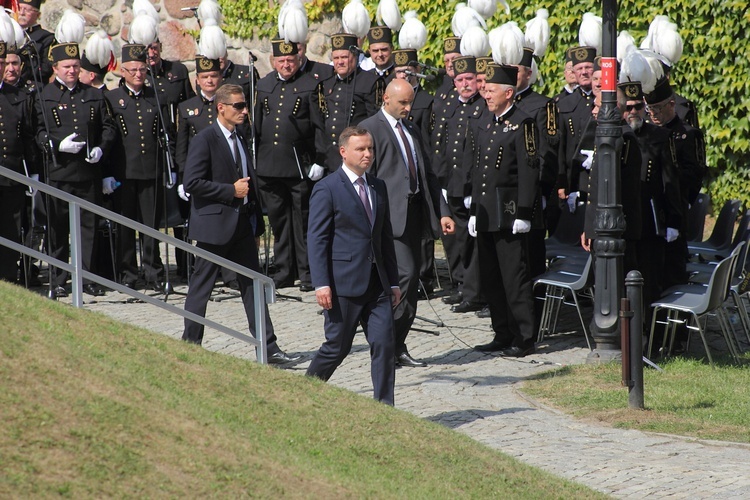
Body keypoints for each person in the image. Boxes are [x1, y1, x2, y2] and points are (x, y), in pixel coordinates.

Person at [181, 84, 299, 364]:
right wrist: (229, 191)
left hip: (243, 226)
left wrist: (256, 225)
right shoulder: (205, 139)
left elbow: (249, 180)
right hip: (214, 227)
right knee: (202, 287)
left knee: (253, 287)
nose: (245, 111)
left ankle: (268, 348)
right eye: (238, 106)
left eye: (245, 105)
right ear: (221, 107)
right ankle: (189, 345)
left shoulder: (240, 136)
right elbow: (192, 183)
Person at [360, 79, 455, 367]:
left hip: (415, 215)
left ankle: (396, 345)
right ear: (386, 98)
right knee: (405, 276)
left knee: (411, 283)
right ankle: (386, 344)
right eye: (402, 102)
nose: (408, 107)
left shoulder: (411, 128)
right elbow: (364, 176)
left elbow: (428, 173)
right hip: (387, 219)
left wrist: (443, 211)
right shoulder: (370, 129)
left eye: (410, 102)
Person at [306, 127, 401, 404]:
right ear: (343, 152)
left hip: (377, 285)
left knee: (384, 345)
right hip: (343, 284)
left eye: (370, 148)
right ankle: (303, 393)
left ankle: (384, 409)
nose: (367, 154)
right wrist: (322, 283)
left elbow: (384, 238)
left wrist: (393, 281)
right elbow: (317, 239)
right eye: (361, 149)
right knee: (337, 347)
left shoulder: (377, 186)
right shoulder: (327, 188)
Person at [34, 38, 116, 297]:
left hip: (87, 172)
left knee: (88, 227)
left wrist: (101, 147)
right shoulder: (44, 96)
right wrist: (57, 145)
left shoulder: (92, 94)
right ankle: (58, 278)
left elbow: (108, 127)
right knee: (58, 229)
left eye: (76, 66)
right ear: (55, 68)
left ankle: (87, 277)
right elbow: (36, 132)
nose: (72, 71)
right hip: (58, 172)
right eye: (67, 66)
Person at [467, 64, 539, 357]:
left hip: (509, 213)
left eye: (492, 90)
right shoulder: (487, 122)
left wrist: (523, 213)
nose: (486, 94)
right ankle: (502, 332)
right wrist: (473, 209)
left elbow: (529, 170)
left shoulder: (523, 123)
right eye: (485, 90)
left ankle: (524, 337)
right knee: (491, 277)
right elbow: (478, 168)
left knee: (514, 277)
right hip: (486, 212)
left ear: (509, 93)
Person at [255, 39, 323, 291]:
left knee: (303, 221)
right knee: (280, 221)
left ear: (298, 60)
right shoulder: (264, 85)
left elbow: (318, 126)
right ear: (274, 62)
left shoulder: (310, 85)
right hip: (269, 167)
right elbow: (258, 127)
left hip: (298, 166)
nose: (286, 65)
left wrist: (319, 160)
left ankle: (307, 273)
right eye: (281, 61)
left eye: (290, 60)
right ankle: (284, 270)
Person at [104, 44, 172, 290]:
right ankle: (128, 274)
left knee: (150, 225)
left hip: (150, 170)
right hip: (123, 171)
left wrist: (169, 168)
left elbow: (166, 133)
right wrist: (107, 174)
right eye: (132, 70)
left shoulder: (156, 96)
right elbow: (108, 138)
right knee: (125, 224)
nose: (138, 74)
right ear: (123, 71)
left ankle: (153, 271)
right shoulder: (111, 98)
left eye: (142, 69)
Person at [431, 55, 486, 313]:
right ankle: (462, 285)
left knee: (471, 242)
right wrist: (441, 181)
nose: (465, 84)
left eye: (469, 79)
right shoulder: (449, 106)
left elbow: (476, 155)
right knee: (455, 239)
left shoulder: (482, 108)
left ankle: (474, 293)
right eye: (460, 80)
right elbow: (440, 146)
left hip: (469, 187)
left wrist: (470, 188)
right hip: (450, 184)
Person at [645, 78, 706, 289]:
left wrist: (668, 176)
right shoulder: (648, 134)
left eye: (658, 108)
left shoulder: (688, 134)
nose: (653, 114)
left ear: (671, 104)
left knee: (673, 268)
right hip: (652, 210)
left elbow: (696, 173)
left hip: (675, 205)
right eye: (649, 108)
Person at [311, 33, 383, 173]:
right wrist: (320, 158)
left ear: (355, 57)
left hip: (358, 158)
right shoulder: (326, 84)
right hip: (331, 159)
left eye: (344, 57)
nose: (340, 62)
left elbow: (375, 122)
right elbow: (319, 124)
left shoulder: (370, 82)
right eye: (336, 58)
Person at [0, 41, 38, 283]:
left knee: (10, 232)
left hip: (11, 176)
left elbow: (27, 137)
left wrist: (33, 173)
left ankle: (7, 280)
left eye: (2, 63)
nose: (2, 67)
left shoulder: (18, 97)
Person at [16, 0, 54, 86]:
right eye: (19, 8)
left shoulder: (46, 38)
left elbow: (46, 69)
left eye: (27, 10)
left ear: (38, 15)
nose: (21, 13)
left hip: (33, 88)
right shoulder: (8, 34)